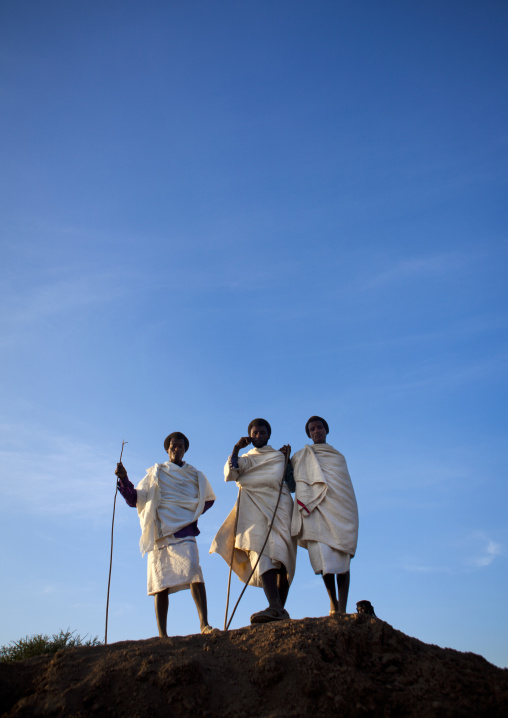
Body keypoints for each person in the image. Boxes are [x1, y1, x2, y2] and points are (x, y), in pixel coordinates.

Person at [115, 431, 217, 636]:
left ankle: (204, 624)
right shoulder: (156, 473)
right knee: (160, 582)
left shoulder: (195, 475)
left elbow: (209, 499)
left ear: (185, 449)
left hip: (184, 530)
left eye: (180, 446)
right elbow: (135, 499)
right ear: (167, 449)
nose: (176, 449)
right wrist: (124, 478)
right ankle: (162, 634)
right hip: (159, 532)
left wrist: (188, 514)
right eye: (173, 446)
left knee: (194, 572)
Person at [210, 418, 296, 624]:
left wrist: (288, 460)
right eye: (254, 433)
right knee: (261, 553)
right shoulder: (246, 458)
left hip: (280, 508)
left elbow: (292, 485)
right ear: (249, 436)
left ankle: (278, 609)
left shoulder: (279, 456)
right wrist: (236, 448)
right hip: (254, 510)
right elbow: (231, 473)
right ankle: (274, 606)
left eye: (262, 432)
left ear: (268, 435)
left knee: (283, 557)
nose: (258, 436)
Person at [291, 416, 358, 615]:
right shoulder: (301, 456)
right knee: (324, 559)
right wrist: (284, 459)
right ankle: (333, 603)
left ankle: (343, 607)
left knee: (342, 557)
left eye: (320, 427)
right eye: (312, 429)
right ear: (309, 434)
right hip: (316, 510)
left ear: (326, 430)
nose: (316, 431)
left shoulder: (338, 457)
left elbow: (344, 487)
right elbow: (290, 481)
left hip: (340, 509)